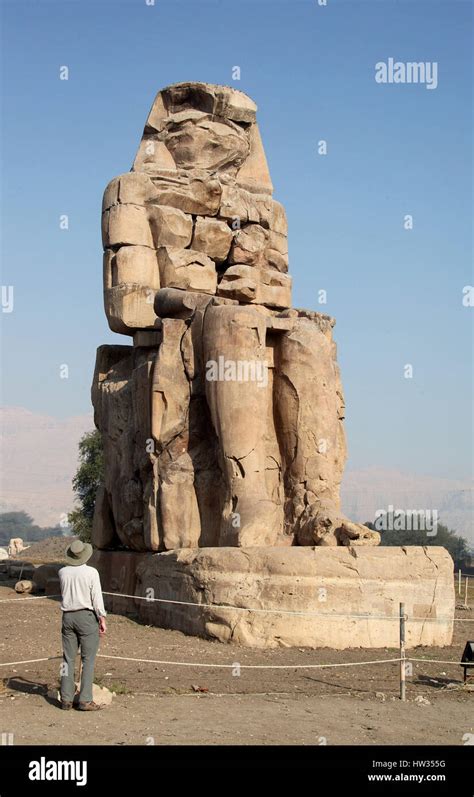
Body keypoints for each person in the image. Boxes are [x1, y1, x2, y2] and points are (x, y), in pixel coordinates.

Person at [59, 539, 107, 711]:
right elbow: (96, 597)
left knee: (68, 659)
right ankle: (85, 699)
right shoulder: (91, 572)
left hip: (67, 617)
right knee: (88, 660)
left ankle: (66, 698)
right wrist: (101, 616)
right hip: (86, 616)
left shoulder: (62, 572)